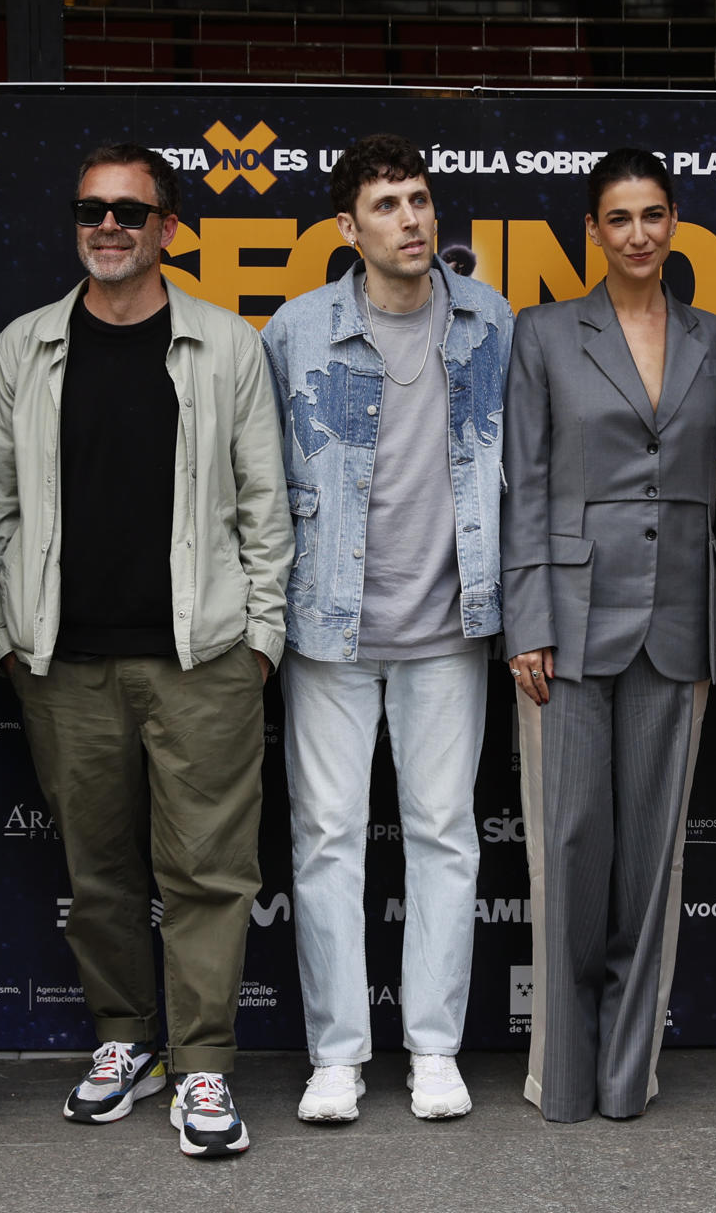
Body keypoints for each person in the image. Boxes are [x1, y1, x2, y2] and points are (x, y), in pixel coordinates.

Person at [0, 143, 290, 1160]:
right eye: (90, 209)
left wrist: (263, 640)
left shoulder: (225, 345)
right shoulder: (24, 347)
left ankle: (202, 1065)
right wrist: (5, 635)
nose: (107, 225)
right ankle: (125, 1042)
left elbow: (265, 508)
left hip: (203, 660)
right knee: (99, 871)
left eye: (129, 210)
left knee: (207, 870)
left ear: (168, 227)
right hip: (63, 662)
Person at [261, 132, 513, 1124]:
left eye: (419, 199)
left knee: (444, 833)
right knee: (325, 837)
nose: (411, 219)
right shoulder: (296, 330)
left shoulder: (492, 322)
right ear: (346, 228)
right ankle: (337, 1053)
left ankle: (435, 1046)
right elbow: (261, 476)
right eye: (387, 205)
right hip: (328, 624)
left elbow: (524, 473)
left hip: (451, 622)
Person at [502, 149, 716, 1123]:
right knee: (568, 846)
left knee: (654, 861)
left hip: (678, 618)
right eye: (618, 217)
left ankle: (627, 1074)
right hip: (565, 623)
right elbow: (523, 478)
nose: (638, 232)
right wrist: (526, 615)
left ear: (674, 220)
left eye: (652, 213)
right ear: (593, 231)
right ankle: (562, 1074)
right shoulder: (546, 332)